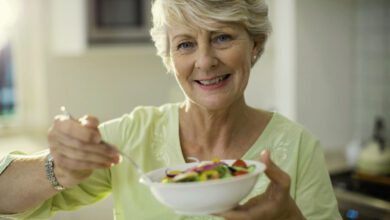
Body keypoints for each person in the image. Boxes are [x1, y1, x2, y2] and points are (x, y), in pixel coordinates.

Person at [0, 0, 342, 219]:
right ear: (170, 58)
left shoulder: (298, 149)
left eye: (222, 37)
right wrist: (57, 167)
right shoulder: (133, 137)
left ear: (254, 44)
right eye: (186, 44)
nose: (205, 61)